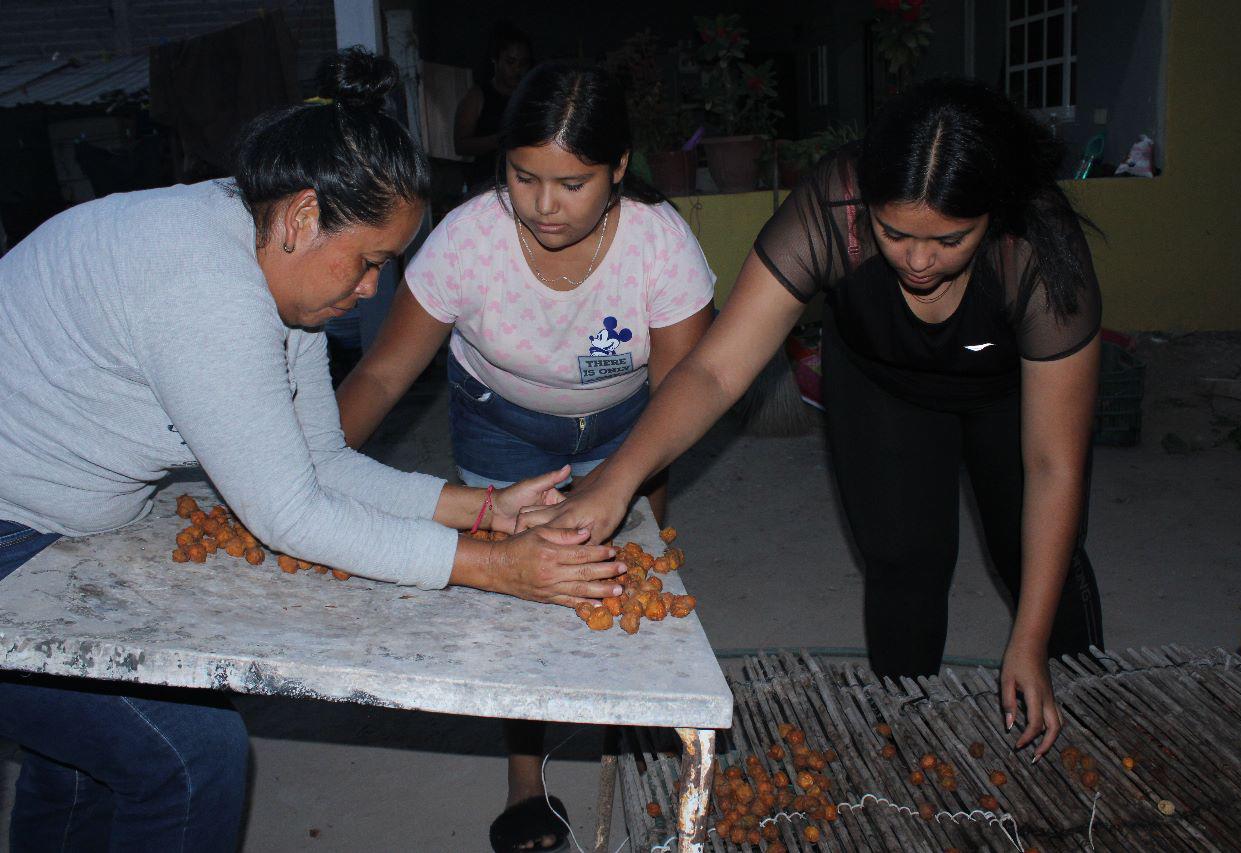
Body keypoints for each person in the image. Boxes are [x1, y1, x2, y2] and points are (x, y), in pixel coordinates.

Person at [0, 48, 626, 851]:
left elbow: (320, 466)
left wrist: (483, 509)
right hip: (11, 537)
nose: (371, 289)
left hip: (45, 526)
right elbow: (288, 514)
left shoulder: (266, 263)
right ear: (301, 216)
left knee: (84, 762)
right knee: (191, 757)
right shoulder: (206, 286)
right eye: (368, 262)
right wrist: (496, 567)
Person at [527, 77, 1105, 759]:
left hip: (1008, 392)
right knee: (902, 561)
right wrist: (614, 481)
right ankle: (908, 733)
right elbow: (715, 370)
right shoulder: (831, 207)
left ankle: (1085, 699)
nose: (919, 260)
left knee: (1034, 552)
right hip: (881, 381)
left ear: (994, 215)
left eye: (949, 239)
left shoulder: (1035, 247)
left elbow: (1053, 462)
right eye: (895, 233)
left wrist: (1027, 642)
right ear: (866, 205)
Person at [336, 61, 714, 853]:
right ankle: (524, 781)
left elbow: (688, 392)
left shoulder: (660, 243)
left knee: (620, 586)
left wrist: (620, 485)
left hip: (629, 430)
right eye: (523, 177)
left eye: (572, 183)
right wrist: (299, 467)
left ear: (617, 170)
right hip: (500, 423)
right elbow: (380, 371)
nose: (544, 205)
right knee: (515, 593)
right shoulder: (468, 239)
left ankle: (618, 740)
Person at [455, 22, 532, 189]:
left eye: (523, 63)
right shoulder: (477, 96)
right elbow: (461, 145)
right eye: (510, 62)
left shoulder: (530, 97)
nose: (517, 69)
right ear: (495, 60)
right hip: (486, 186)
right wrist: (500, 139)